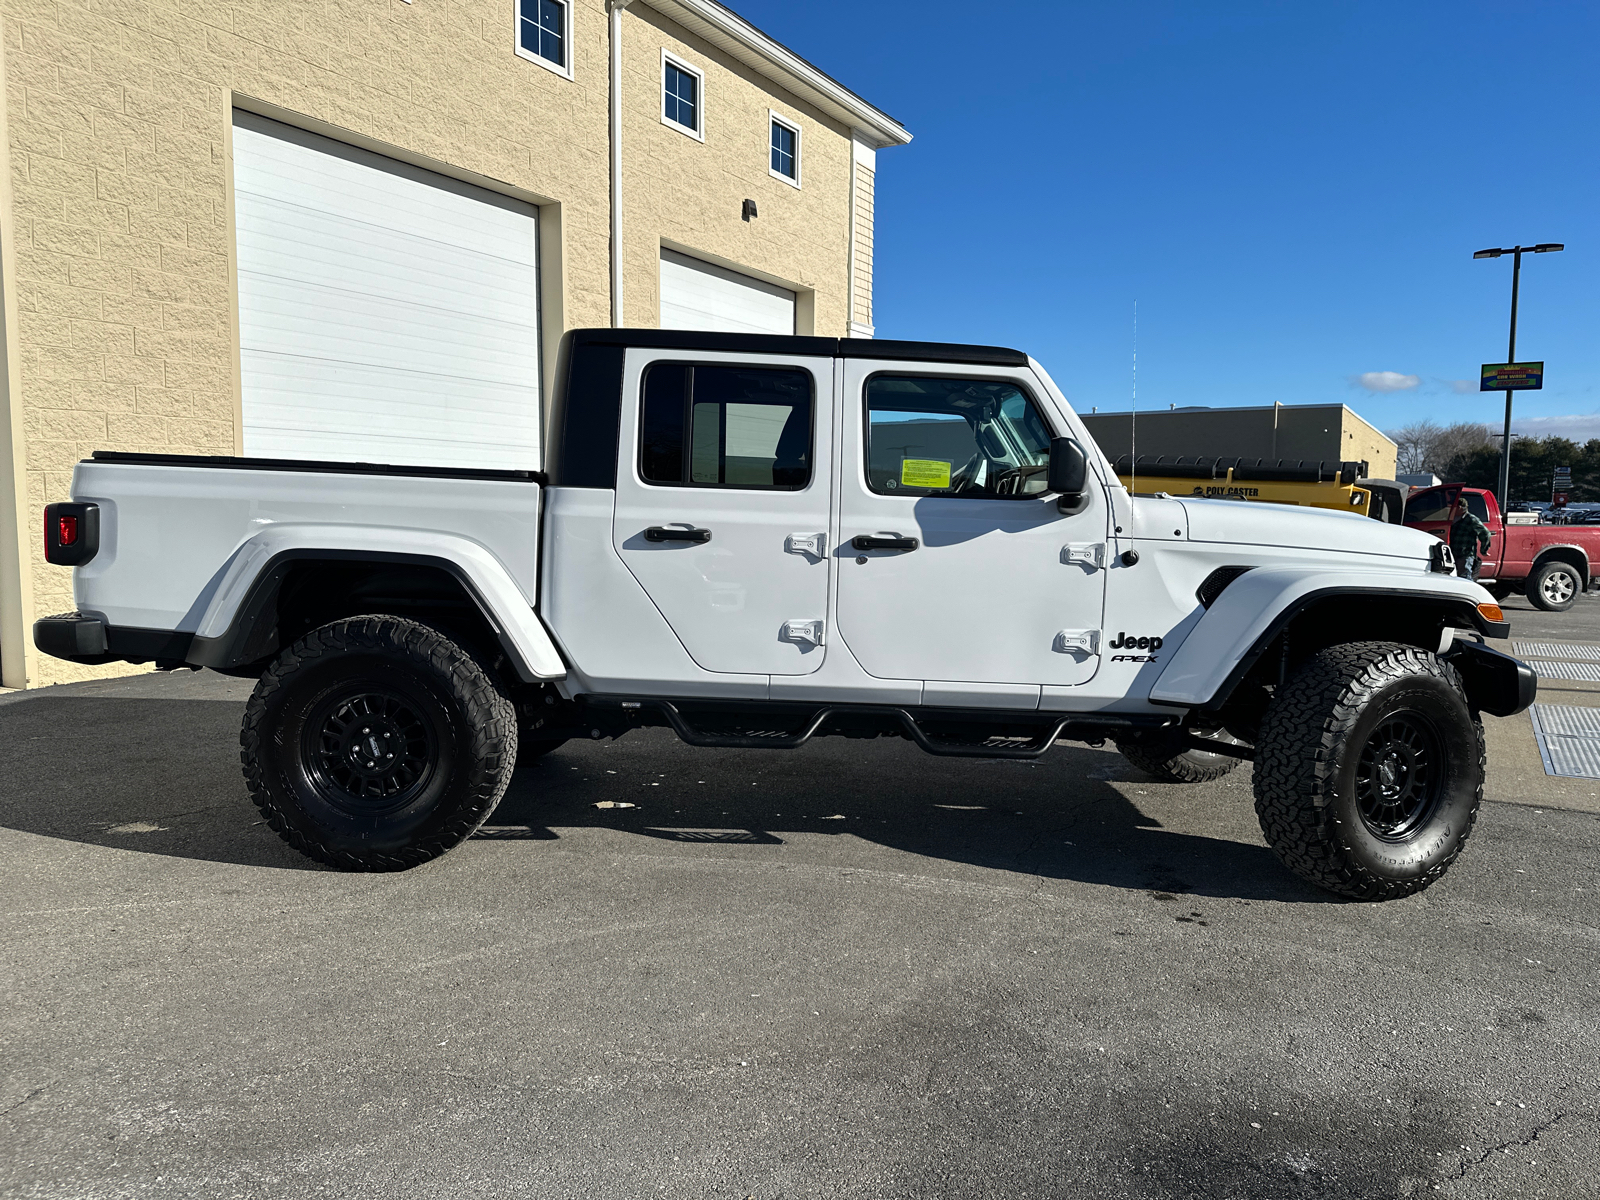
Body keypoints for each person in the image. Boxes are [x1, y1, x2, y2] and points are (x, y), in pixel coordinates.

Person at [1449, 496, 1491, 580]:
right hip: (1453, 553)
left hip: (1465, 554)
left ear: (1460, 507)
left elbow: (1485, 533)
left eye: (1453, 506)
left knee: (1465, 577)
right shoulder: (1452, 518)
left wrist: (1484, 549)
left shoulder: (1471, 519)